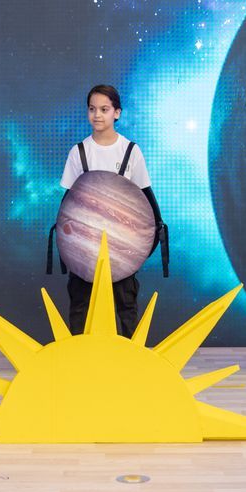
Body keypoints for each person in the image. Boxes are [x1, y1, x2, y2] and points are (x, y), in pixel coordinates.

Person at [58, 84, 158, 335]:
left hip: (122, 245)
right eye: (92, 109)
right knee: (80, 302)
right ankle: (80, 361)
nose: (97, 115)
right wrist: (67, 244)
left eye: (104, 109)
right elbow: (67, 204)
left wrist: (147, 242)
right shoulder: (79, 152)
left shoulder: (130, 151)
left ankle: (129, 365)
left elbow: (146, 199)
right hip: (85, 243)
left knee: (126, 303)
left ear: (117, 112)